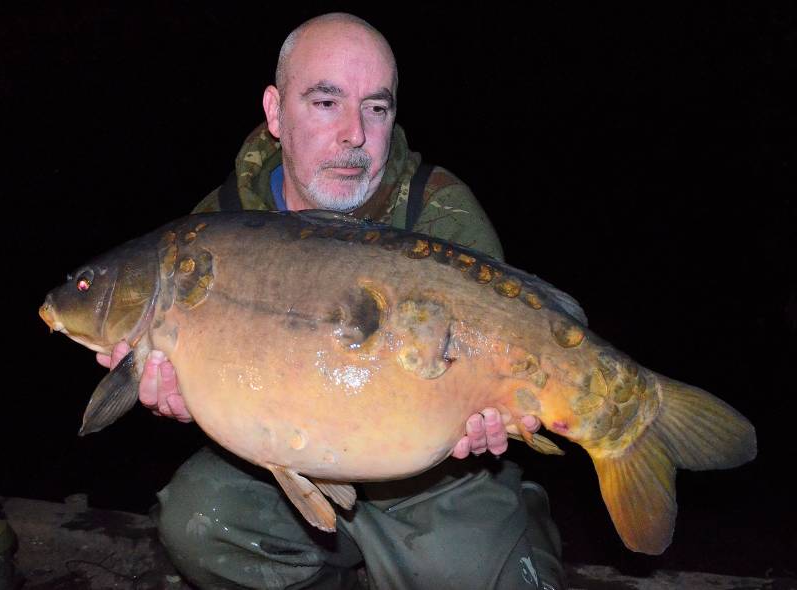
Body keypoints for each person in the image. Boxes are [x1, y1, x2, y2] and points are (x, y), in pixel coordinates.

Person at [99, 13, 564, 589]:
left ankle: (519, 526)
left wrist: (491, 416)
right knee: (201, 521)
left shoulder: (441, 211)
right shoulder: (215, 230)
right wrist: (183, 396)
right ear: (274, 112)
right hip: (281, 470)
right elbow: (234, 393)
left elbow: (501, 365)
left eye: (376, 107)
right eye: (326, 103)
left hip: (436, 479)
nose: (355, 134)